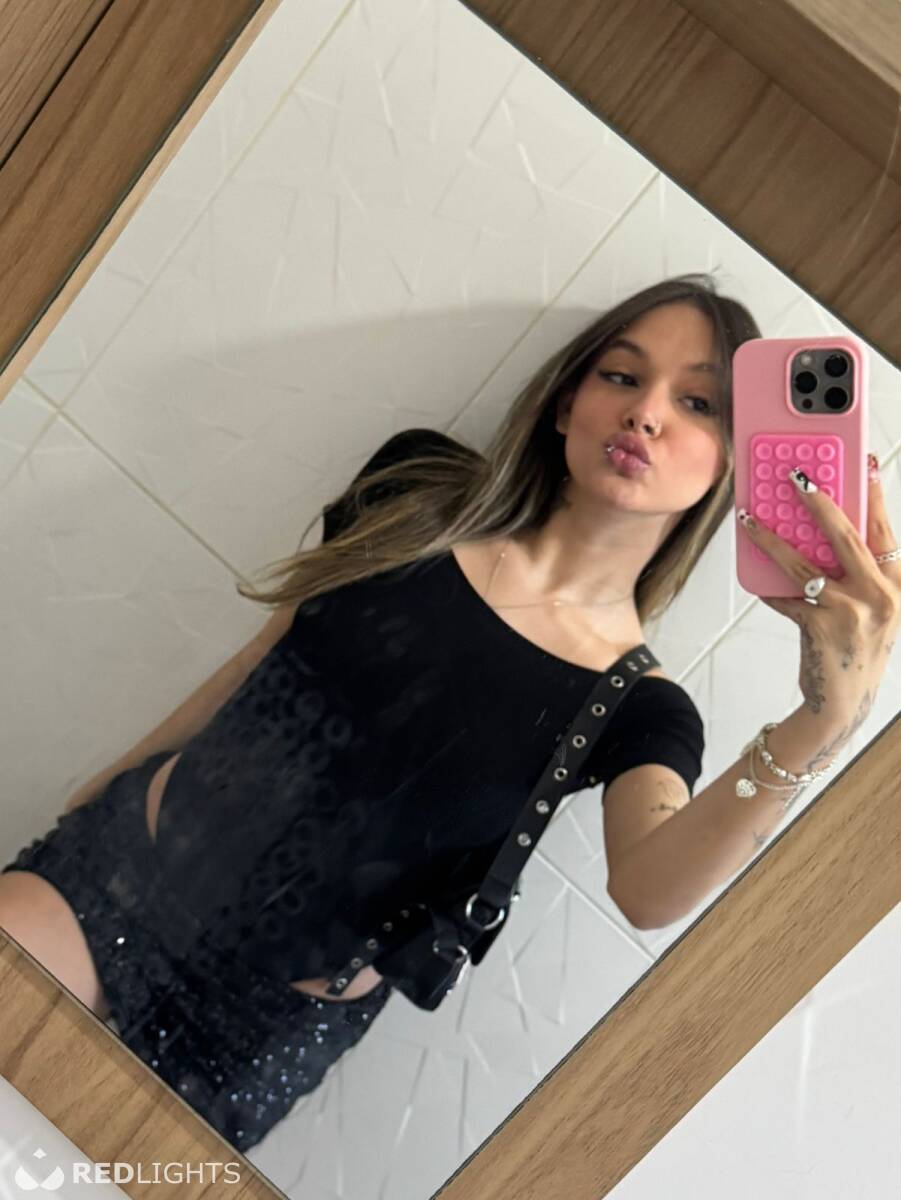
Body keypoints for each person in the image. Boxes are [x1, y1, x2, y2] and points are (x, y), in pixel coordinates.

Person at [1, 274, 897, 1152]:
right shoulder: (414, 491)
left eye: (697, 404)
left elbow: (647, 890)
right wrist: (97, 791)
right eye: (622, 376)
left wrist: (820, 721)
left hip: (257, 1025)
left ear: (732, 465)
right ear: (565, 403)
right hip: (114, 879)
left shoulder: (641, 709)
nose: (645, 413)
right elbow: (258, 659)